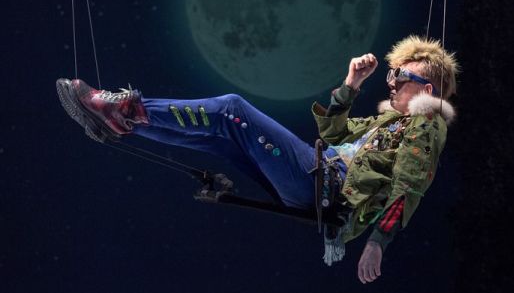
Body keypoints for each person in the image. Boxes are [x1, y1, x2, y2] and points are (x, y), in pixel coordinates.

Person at [56, 35, 458, 284]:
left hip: (325, 184)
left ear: (428, 89)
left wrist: (378, 243)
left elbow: (409, 186)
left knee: (233, 109)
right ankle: (123, 123)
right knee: (224, 138)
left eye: (401, 77)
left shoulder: (426, 124)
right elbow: (333, 134)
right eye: (391, 75)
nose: (391, 82)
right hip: (318, 174)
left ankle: (128, 109)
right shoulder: (389, 123)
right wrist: (351, 85)